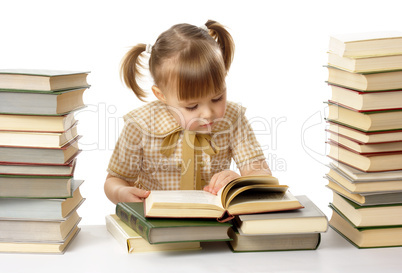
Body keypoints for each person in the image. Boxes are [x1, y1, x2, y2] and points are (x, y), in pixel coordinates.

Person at [104, 20, 272, 204]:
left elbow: (262, 175)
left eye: (217, 98)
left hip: (213, 223)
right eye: (192, 106)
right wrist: (120, 193)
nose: (208, 113)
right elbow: (114, 180)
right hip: (155, 223)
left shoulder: (234, 119)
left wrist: (239, 182)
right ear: (162, 95)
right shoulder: (140, 124)